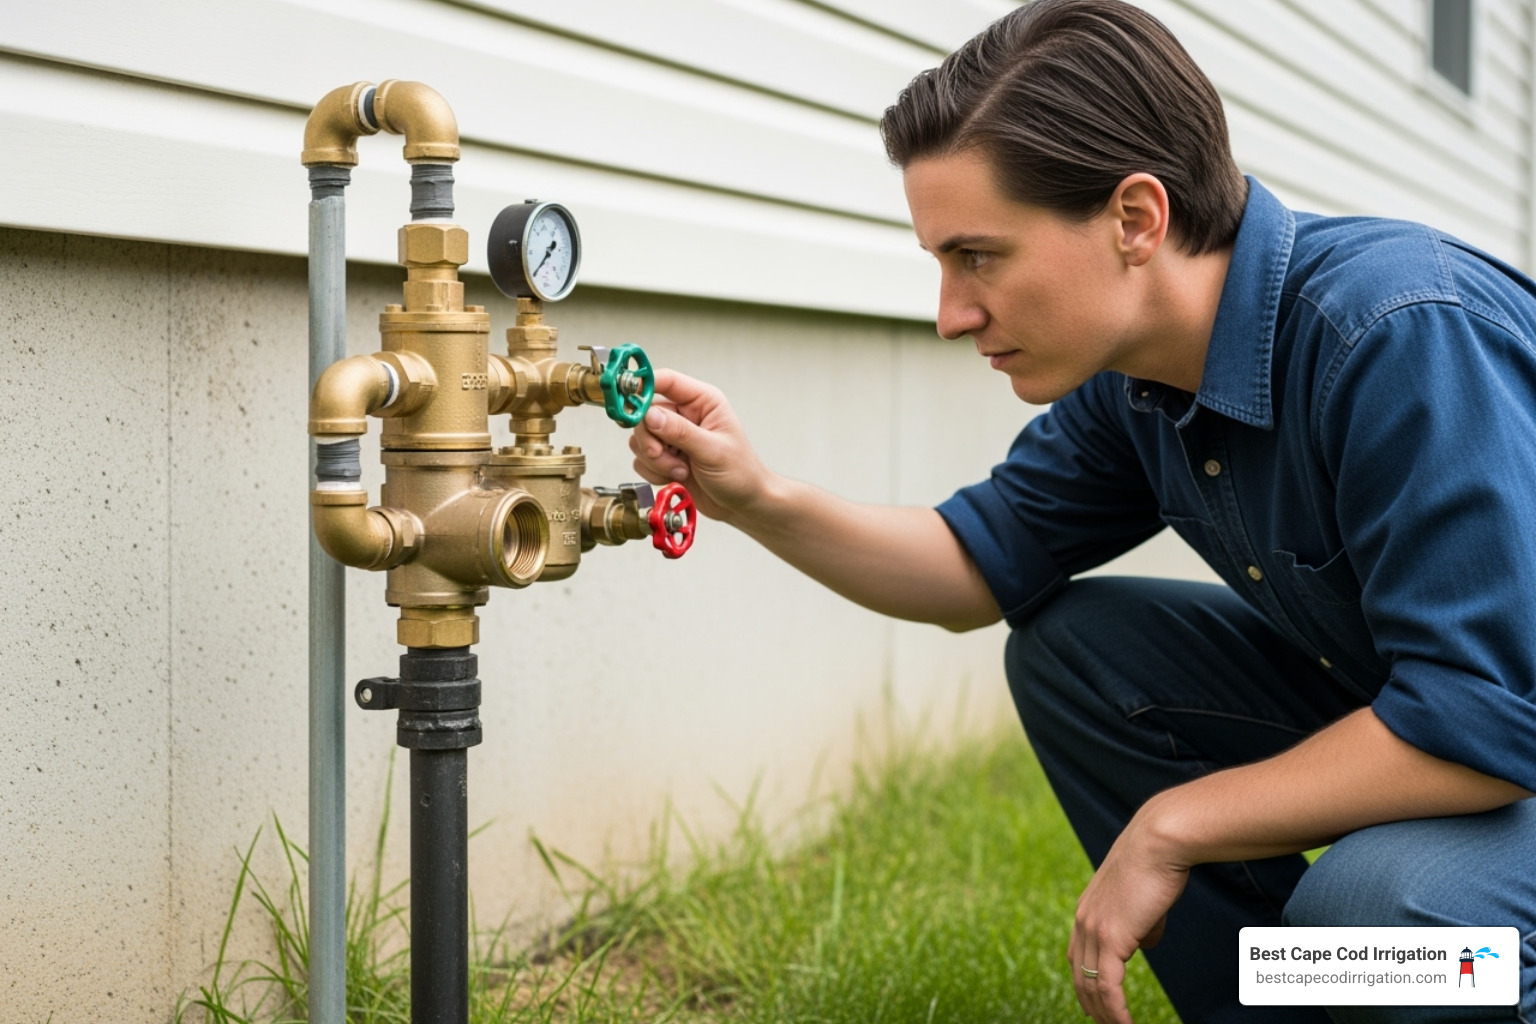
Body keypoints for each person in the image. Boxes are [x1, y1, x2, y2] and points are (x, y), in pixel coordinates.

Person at [629, 2, 1536, 1021]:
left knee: (1374, 921)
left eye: (978, 256)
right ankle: (1273, 1008)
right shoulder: (1141, 378)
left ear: (1136, 220)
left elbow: (1480, 721)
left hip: (1502, 737)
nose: (949, 313)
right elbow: (973, 564)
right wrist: (758, 497)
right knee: (1077, 650)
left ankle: (1384, 984)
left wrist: (1173, 824)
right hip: (1483, 727)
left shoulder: (1396, 333)